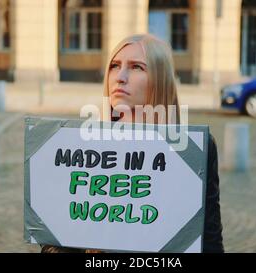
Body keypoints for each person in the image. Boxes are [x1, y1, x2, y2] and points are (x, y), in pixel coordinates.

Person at [41, 34, 223, 253]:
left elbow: (210, 238)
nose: (120, 77)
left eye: (137, 67)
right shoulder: (79, 144)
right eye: (115, 66)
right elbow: (54, 237)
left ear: (160, 78)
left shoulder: (194, 149)